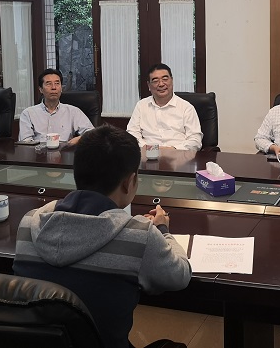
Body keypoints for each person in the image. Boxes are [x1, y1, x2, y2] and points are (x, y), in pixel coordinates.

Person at [13, 125, 191, 348]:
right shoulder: (139, 235)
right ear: (129, 182)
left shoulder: (30, 221)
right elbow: (180, 276)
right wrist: (163, 230)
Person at [127, 63, 203, 151]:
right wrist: (150, 149)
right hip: (148, 154)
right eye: (155, 81)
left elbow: (195, 140)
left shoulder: (186, 108)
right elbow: (132, 134)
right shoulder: (141, 106)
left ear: (172, 80)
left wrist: (171, 149)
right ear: (149, 85)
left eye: (165, 79)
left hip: (178, 155)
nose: (161, 84)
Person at [19, 68, 94, 145]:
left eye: (57, 83)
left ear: (61, 88)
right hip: (38, 151)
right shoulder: (28, 114)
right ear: (41, 89)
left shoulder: (73, 112)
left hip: (65, 151)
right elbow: (25, 142)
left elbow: (91, 133)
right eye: (48, 84)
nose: (54, 87)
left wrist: (79, 139)